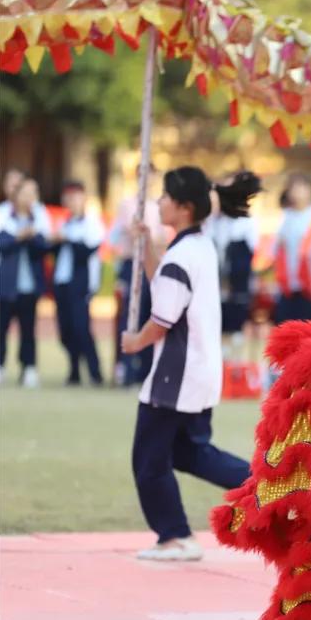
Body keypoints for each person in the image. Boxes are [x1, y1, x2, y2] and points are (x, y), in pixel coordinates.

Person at [120, 166, 254, 561]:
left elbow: (162, 318)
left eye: (165, 198)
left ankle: (175, 537)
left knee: (148, 459)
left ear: (184, 208)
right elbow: (165, 284)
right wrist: (146, 248)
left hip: (174, 376)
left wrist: (134, 342)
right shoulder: (198, 246)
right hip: (199, 370)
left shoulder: (183, 254)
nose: (158, 202)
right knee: (190, 453)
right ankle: (265, 485)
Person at [111, 168, 165, 387]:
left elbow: (159, 239)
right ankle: (125, 367)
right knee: (128, 317)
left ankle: (146, 369)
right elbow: (132, 235)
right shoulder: (128, 205)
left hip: (150, 265)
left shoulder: (158, 206)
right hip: (131, 264)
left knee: (149, 316)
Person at [0, 177, 50, 387]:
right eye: (25, 193)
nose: (29, 198)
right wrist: (21, 235)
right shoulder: (5, 216)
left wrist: (32, 235)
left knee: (28, 330)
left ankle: (29, 367)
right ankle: (0, 366)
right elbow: (3, 244)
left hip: (29, 286)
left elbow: (44, 246)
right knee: (0, 328)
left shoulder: (38, 218)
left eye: (33, 194)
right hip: (6, 285)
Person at [52, 181, 105, 386]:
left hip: (81, 284)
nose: (72, 201)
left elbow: (87, 250)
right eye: (68, 197)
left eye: (75, 196)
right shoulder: (65, 223)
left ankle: (95, 372)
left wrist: (67, 239)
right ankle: (73, 371)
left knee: (81, 328)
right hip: (62, 282)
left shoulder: (92, 224)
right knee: (65, 329)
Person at [209, 171, 262, 363]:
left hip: (236, 283)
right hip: (216, 283)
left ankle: (236, 368)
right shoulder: (212, 222)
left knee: (237, 325)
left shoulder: (246, 222)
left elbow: (248, 255)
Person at [273, 173, 311, 323]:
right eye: (293, 188)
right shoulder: (286, 217)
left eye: (301, 187)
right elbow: (276, 249)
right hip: (289, 284)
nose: (297, 191)